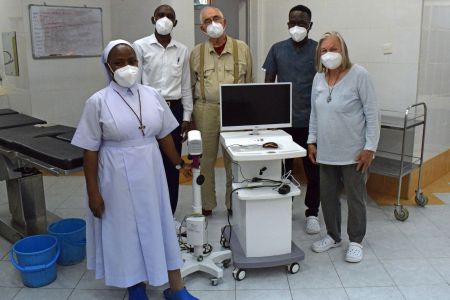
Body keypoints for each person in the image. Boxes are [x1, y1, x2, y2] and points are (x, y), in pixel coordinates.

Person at [71, 40, 198, 300]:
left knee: (160, 225)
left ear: (138, 63)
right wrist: (93, 193)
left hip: (151, 171)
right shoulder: (97, 102)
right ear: (108, 66)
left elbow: (164, 135)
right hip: (115, 174)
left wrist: (177, 163)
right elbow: (89, 151)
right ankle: (136, 287)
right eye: (119, 62)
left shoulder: (152, 95)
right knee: (126, 231)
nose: (127, 67)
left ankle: (175, 289)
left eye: (131, 61)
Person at [307, 32, 380, 263]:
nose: (329, 54)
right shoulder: (318, 78)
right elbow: (314, 113)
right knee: (327, 197)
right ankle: (333, 235)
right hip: (326, 151)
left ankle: (356, 241)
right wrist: (311, 140)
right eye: (324, 50)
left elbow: (372, 114)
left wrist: (370, 148)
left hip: (354, 152)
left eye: (334, 49)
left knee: (355, 198)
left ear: (343, 50)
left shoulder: (359, 75)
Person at [262, 4, 320, 235]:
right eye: (293, 23)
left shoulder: (318, 51)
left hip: (311, 122)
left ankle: (312, 213)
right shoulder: (277, 49)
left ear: (310, 25)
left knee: (313, 170)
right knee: (282, 169)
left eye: (302, 23)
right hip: (282, 123)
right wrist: (267, 118)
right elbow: (268, 85)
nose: (297, 27)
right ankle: (283, 208)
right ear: (287, 25)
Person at [190, 6, 253, 216]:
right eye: (207, 21)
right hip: (204, 109)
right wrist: (189, 118)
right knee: (204, 160)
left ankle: (233, 203)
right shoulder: (196, 52)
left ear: (225, 23)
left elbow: (250, 82)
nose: (213, 23)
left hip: (235, 110)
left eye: (216, 18)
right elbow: (190, 85)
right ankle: (206, 204)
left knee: (233, 159)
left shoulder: (241, 48)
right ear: (202, 27)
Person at [133, 4, 193, 215]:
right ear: (153, 19)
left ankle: (170, 213)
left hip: (174, 110)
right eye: (161, 15)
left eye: (169, 16)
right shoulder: (139, 46)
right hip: (148, 109)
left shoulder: (182, 50)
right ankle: (149, 213)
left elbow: (186, 85)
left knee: (172, 163)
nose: (165, 19)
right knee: (148, 163)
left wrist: (186, 116)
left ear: (175, 23)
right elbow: (135, 83)